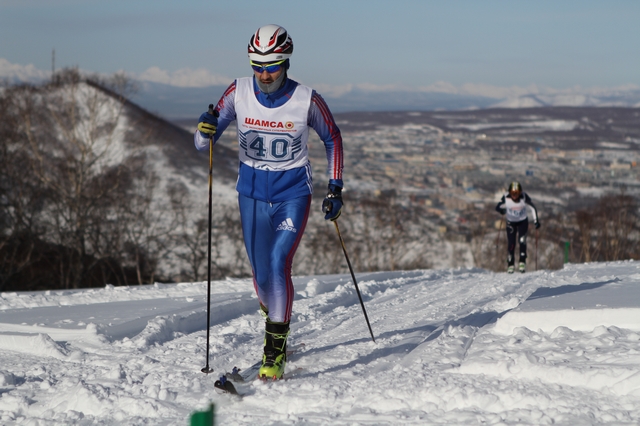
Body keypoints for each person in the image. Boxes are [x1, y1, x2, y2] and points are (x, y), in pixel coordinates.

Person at [194, 24, 344, 380]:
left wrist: (335, 187)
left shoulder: (307, 99)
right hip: (251, 195)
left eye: (272, 65)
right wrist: (205, 128)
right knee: (261, 274)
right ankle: (275, 315)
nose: (263, 74)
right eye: (256, 65)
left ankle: (273, 349)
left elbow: (332, 138)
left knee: (278, 263)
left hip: (292, 193)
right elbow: (203, 145)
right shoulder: (238, 91)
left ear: (286, 61)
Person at [495, 181, 540, 273]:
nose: (515, 196)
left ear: (520, 192)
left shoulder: (524, 196)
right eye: (513, 193)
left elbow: (532, 208)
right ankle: (510, 263)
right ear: (509, 193)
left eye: (517, 193)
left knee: (522, 241)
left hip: (522, 221)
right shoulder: (506, 197)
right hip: (511, 222)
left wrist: (536, 221)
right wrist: (501, 210)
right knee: (511, 243)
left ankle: (522, 262)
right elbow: (498, 206)